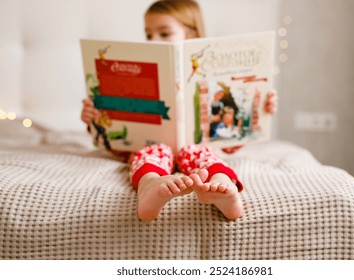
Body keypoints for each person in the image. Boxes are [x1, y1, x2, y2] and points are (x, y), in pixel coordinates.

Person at [81, 0, 278, 222]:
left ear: (192, 37)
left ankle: (222, 186)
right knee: (149, 154)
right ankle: (149, 186)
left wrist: (259, 111)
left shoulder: (208, 84)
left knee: (203, 154)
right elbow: (119, 144)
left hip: (194, 145)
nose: (154, 40)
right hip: (151, 145)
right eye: (149, 35)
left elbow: (229, 142)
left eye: (164, 33)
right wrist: (94, 120)